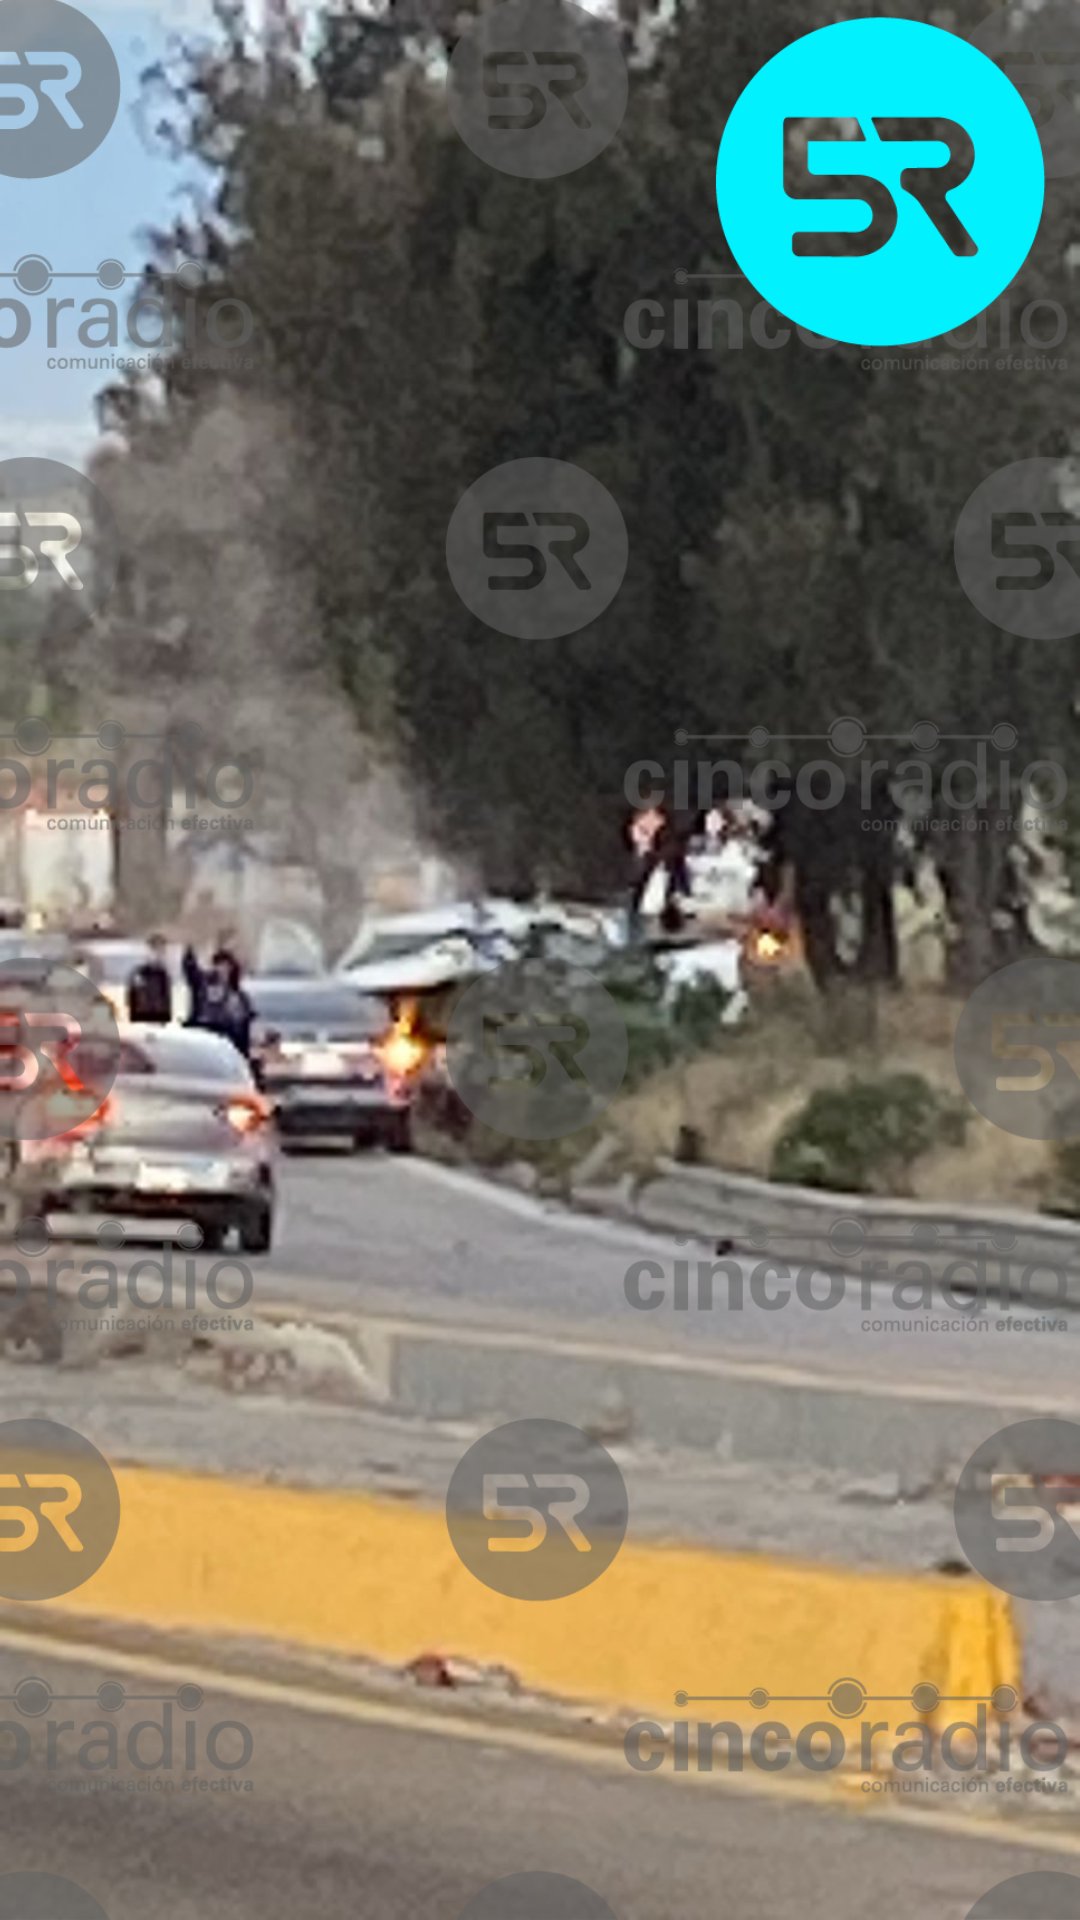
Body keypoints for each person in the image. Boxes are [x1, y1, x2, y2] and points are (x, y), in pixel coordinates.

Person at [182, 945, 254, 1059]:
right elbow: (191, 971)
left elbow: (244, 1026)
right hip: (206, 1037)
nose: (222, 969)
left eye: (226, 966)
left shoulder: (240, 997)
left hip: (229, 1043)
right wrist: (191, 950)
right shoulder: (204, 986)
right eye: (218, 965)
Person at [126, 934, 173, 1024]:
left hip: (159, 1022)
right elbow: (132, 998)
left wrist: (165, 1019)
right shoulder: (140, 974)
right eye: (156, 950)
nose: (160, 954)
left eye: (162, 950)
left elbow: (166, 1000)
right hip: (142, 1021)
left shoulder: (163, 974)